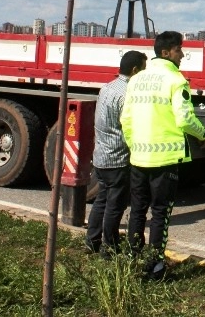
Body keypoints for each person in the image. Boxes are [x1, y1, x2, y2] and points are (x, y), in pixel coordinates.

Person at [120, 31, 205, 281]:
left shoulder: (136, 80)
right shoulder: (175, 79)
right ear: (166, 53)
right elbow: (184, 118)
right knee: (160, 213)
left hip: (138, 157)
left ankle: (132, 258)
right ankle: (155, 265)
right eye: (179, 50)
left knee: (137, 210)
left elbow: (125, 119)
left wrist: (134, 144)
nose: (182, 55)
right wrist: (203, 134)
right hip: (165, 159)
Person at [85, 49, 148, 256]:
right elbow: (130, 125)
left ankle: (91, 241)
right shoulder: (129, 93)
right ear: (134, 69)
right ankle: (109, 247)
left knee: (101, 201)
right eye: (143, 70)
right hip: (118, 158)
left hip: (101, 156)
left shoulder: (106, 88)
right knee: (115, 206)